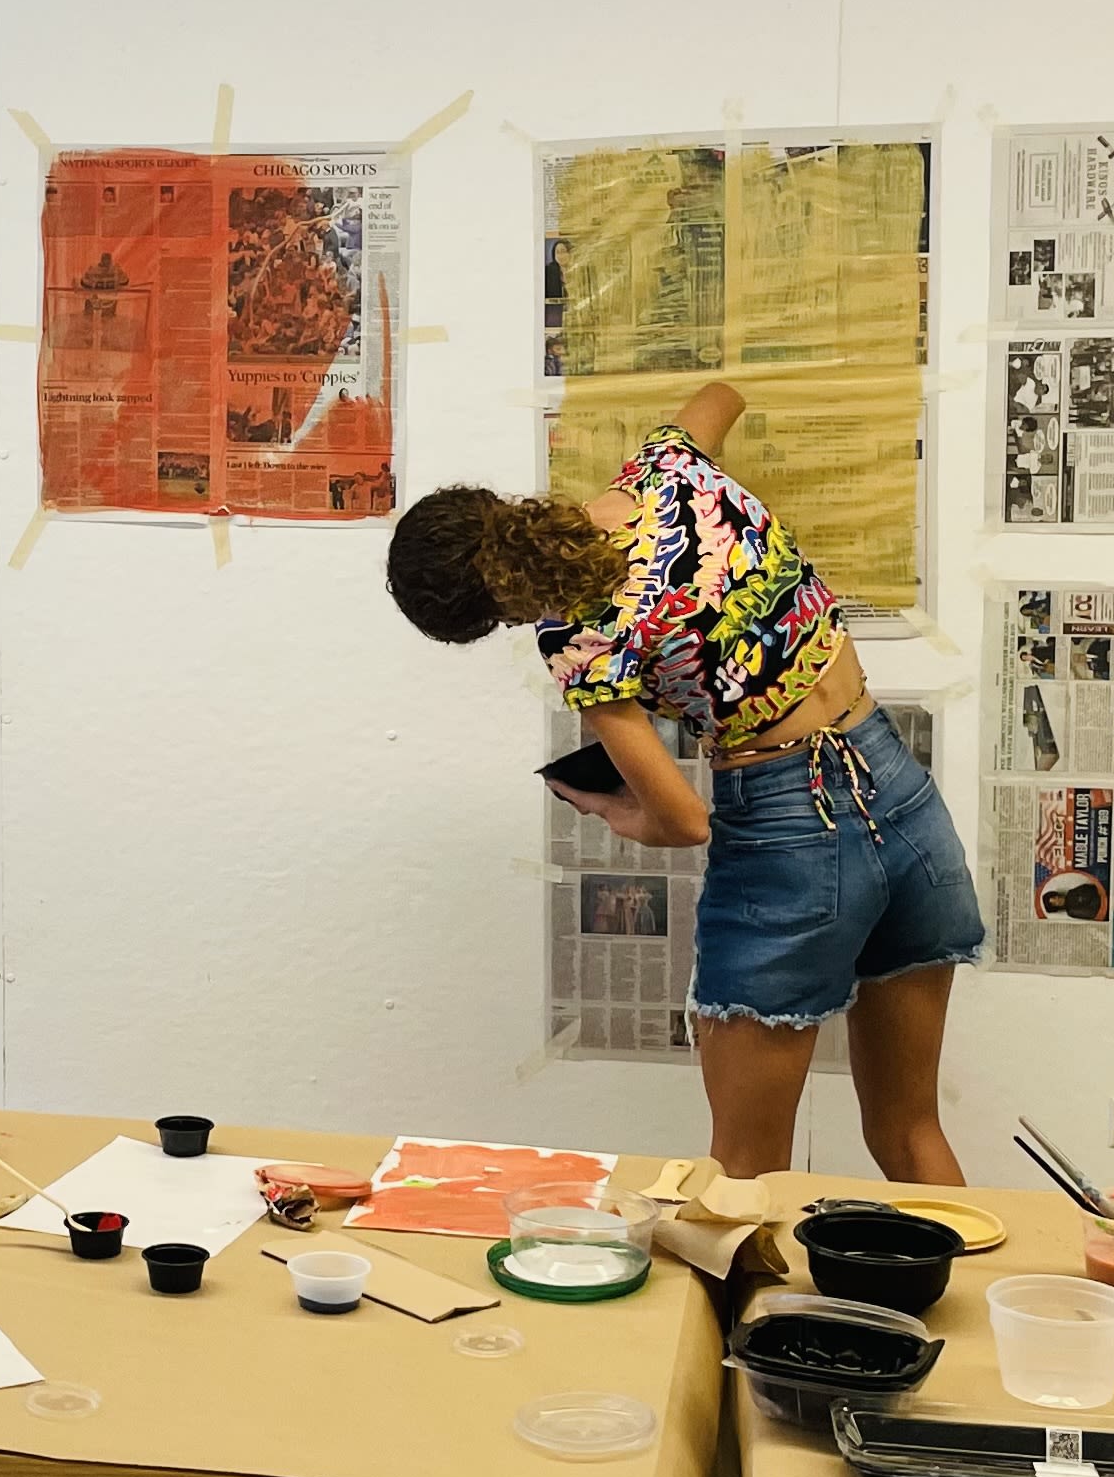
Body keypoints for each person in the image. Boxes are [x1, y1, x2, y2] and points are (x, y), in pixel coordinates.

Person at [388, 381, 981, 1183]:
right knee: (911, 1133)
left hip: (789, 836)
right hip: (901, 793)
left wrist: (612, 809)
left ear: (493, 612)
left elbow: (683, 820)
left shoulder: (577, 637)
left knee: (743, 1174)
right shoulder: (666, 469)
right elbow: (722, 394)